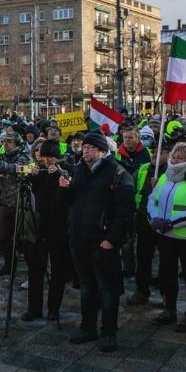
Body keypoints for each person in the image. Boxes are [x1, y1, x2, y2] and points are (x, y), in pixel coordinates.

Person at [59, 132, 134, 352]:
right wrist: (64, 189)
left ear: (102, 151)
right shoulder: (80, 169)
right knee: (86, 286)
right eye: (84, 147)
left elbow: (126, 212)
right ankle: (87, 327)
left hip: (103, 242)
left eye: (90, 148)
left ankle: (109, 332)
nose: (85, 151)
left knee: (107, 289)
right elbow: (71, 203)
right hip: (80, 238)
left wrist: (111, 240)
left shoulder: (117, 173)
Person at [147, 142, 186, 332]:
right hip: (165, 234)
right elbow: (152, 200)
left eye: (180, 158)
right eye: (174, 156)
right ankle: (169, 309)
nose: (175, 160)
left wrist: (172, 222)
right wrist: (153, 218)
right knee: (167, 272)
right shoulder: (165, 177)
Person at [23, 139, 72, 321]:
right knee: (35, 270)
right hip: (39, 228)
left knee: (57, 271)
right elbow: (26, 184)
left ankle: (54, 308)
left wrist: (61, 176)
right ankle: (34, 308)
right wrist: (32, 176)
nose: (47, 161)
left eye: (50, 157)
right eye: (44, 157)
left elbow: (69, 196)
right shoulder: (38, 171)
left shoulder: (65, 170)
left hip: (58, 229)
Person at [127, 140, 171, 306]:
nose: (155, 154)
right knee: (143, 259)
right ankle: (141, 290)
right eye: (153, 151)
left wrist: (158, 187)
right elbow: (130, 189)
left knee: (166, 262)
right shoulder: (143, 169)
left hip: (164, 225)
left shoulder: (173, 172)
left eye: (160, 151)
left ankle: (166, 295)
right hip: (143, 222)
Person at [0, 131, 31, 275]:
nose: (6, 144)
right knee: (4, 237)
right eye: (4, 142)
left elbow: (21, 170)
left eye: (9, 142)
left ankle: (31, 269)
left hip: (21, 204)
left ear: (16, 143)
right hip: (6, 202)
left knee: (24, 239)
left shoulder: (25, 156)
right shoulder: (3, 156)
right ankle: (9, 264)